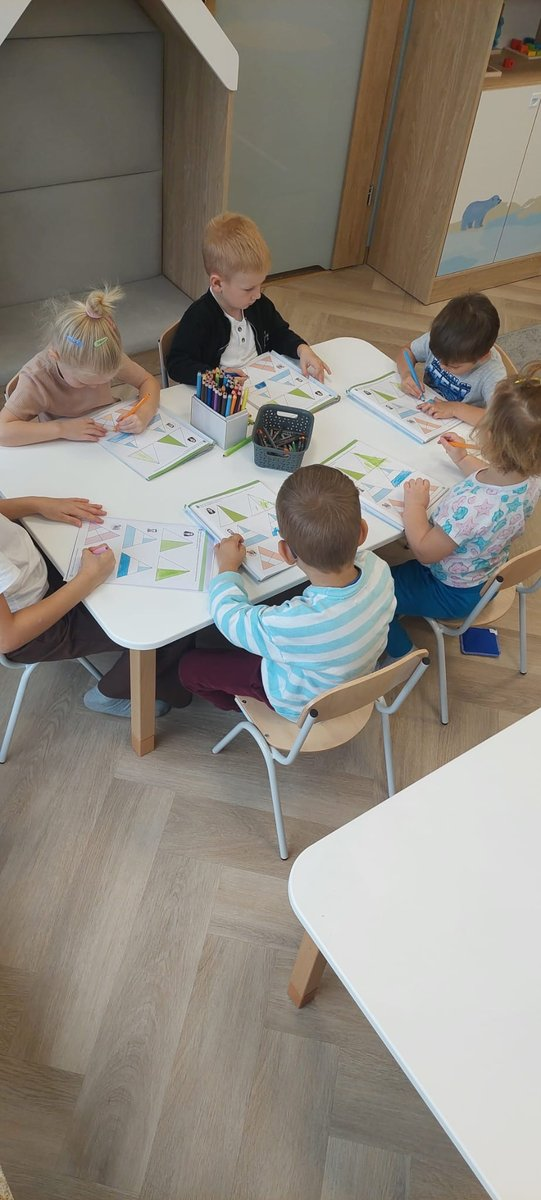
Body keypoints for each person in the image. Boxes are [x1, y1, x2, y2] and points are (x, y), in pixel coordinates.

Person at [178, 464, 396, 720]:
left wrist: (227, 568)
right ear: (362, 532)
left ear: (286, 552)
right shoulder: (379, 569)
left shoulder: (295, 622)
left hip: (299, 703)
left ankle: (246, 707)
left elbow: (231, 619)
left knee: (188, 668)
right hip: (355, 680)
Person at [386, 371, 541, 659]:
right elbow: (491, 476)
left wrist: (415, 506)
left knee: (374, 595)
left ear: (490, 438)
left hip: (450, 590)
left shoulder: (472, 508)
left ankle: (402, 655)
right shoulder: (531, 479)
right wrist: (461, 457)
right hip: (485, 576)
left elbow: (424, 551)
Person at [0, 496, 192, 715]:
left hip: (34, 574)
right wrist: (88, 578)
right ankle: (111, 696)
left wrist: (36, 504)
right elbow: (8, 638)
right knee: (169, 626)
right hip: (32, 629)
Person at [166, 212, 329, 387]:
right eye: (249, 288)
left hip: (263, 384)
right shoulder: (199, 316)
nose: (257, 294)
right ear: (217, 283)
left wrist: (302, 349)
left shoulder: (258, 304)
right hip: (223, 395)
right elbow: (177, 364)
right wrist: (215, 376)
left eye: (260, 284)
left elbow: (279, 333)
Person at [0, 286, 160, 446]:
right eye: (84, 382)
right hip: (64, 444)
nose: (95, 387)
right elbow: (3, 431)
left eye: (105, 380)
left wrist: (144, 412)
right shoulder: (36, 378)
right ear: (56, 357)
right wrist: (61, 429)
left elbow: (147, 381)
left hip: (106, 435)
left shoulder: (104, 356)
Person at [396, 292, 506, 427]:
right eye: (437, 358)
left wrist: (455, 408)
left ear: (482, 356)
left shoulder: (493, 373)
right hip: (425, 412)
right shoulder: (442, 339)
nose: (442, 366)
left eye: (453, 366)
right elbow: (406, 351)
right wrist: (406, 374)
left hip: (459, 428)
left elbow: (498, 419)